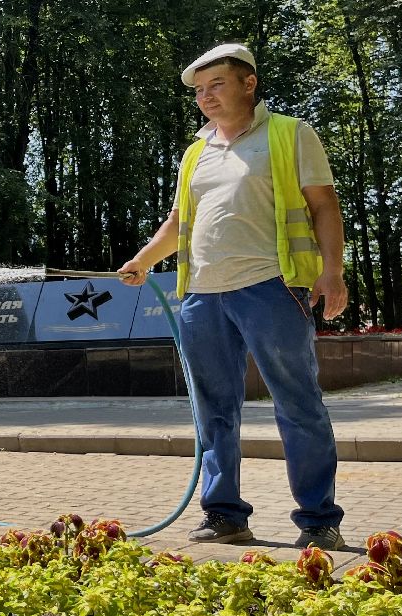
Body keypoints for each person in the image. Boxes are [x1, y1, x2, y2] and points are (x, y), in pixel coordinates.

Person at [117, 43, 348, 549]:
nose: (205, 97)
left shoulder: (290, 134)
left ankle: (318, 519)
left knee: (298, 403)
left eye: (216, 85)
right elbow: (179, 223)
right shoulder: (196, 152)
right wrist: (143, 260)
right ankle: (225, 515)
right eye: (199, 91)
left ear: (248, 83)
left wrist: (333, 271)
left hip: (271, 287)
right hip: (202, 295)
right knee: (213, 408)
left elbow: (324, 206)